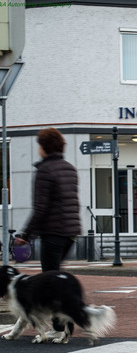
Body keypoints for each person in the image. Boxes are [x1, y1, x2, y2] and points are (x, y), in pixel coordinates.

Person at [14, 127, 81, 335]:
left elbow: (41, 208)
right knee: (56, 278)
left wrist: (25, 235)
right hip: (70, 231)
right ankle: (64, 324)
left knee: (50, 281)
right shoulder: (70, 168)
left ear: (44, 147)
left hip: (53, 232)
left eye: (39, 146)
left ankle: (59, 328)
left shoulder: (44, 171)